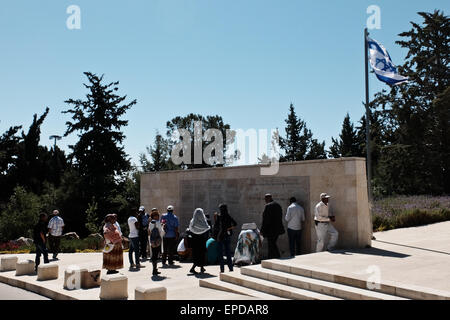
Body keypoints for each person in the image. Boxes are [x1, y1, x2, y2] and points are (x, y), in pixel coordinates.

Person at [213, 204, 237, 273]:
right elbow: (235, 224)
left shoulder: (219, 216)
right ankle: (231, 268)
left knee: (220, 253)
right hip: (227, 236)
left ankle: (222, 269)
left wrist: (215, 217)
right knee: (228, 253)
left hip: (220, 236)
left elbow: (216, 225)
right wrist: (228, 228)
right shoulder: (228, 216)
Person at [260, 193, 285, 259]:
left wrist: (262, 230)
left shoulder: (268, 206)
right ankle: (272, 256)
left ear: (269, 198)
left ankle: (275, 256)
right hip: (278, 229)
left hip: (270, 230)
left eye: (265, 198)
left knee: (271, 244)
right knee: (272, 243)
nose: (265, 200)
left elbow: (265, 220)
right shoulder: (278, 205)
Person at [188, 208, 210, 274]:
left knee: (196, 254)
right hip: (202, 241)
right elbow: (207, 228)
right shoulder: (204, 221)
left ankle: (201, 268)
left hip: (195, 241)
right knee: (202, 254)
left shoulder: (192, 221)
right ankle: (194, 268)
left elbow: (190, 229)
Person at [148, 208, 165, 276]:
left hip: (152, 241)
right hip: (157, 241)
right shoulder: (158, 222)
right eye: (157, 215)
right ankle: (154, 270)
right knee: (156, 256)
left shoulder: (150, 223)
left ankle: (154, 269)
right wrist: (163, 226)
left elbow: (149, 232)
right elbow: (161, 232)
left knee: (153, 255)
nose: (158, 217)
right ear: (155, 216)